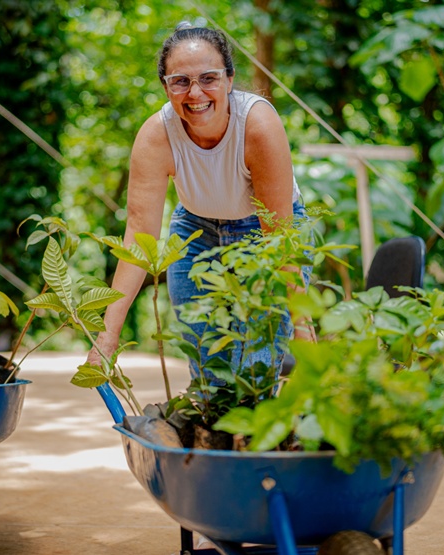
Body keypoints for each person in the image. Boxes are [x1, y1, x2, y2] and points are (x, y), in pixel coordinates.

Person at [86, 22, 312, 377]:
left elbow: (279, 233)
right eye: (180, 81)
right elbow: (139, 236)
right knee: (209, 370)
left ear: (230, 79)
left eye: (208, 78)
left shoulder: (257, 125)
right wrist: (107, 337)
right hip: (195, 230)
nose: (195, 93)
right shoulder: (156, 136)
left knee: (254, 369)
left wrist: (302, 327)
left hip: (263, 231)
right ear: (166, 86)